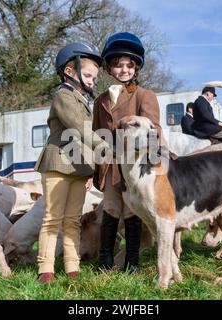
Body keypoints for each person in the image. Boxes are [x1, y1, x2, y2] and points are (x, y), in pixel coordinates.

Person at [34, 42, 108, 284]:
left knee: (73, 219)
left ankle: (72, 266)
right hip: (58, 164)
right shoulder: (63, 96)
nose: (91, 81)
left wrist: (91, 171)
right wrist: (104, 147)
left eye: (94, 78)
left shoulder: (83, 99)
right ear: (69, 72)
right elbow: (79, 127)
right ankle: (45, 268)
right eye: (87, 75)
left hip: (79, 168)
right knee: (53, 217)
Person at [92, 32, 162, 273]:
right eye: (118, 65)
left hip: (135, 165)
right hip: (109, 164)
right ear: (110, 68)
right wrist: (94, 168)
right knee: (110, 208)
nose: (123, 70)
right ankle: (105, 261)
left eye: (128, 66)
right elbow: (95, 134)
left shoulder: (144, 95)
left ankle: (132, 263)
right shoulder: (99, 100)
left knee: (132, 210)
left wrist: (154, 157)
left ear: (136, 68)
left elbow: (154, 128)